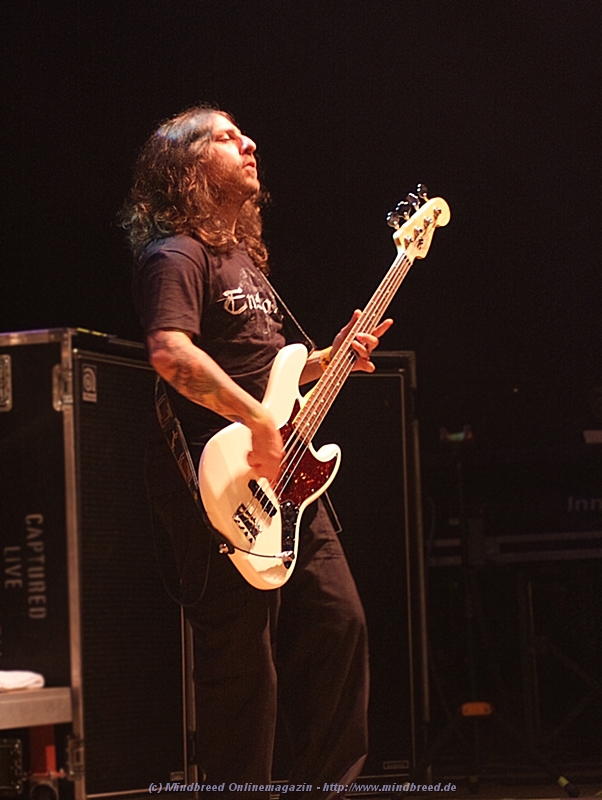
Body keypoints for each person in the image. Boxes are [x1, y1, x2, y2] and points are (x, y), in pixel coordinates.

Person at [121, 104, 393, 798]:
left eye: (242, 133)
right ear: (186, 167)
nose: (247, 142)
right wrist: (255, 420)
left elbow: (266, 368)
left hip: (286, 478)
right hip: (217, 481)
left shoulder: (241, 259)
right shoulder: (176, 253)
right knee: (243, 669)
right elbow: (170, 352)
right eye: (224, 136)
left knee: (338, 628)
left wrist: (328, 359)